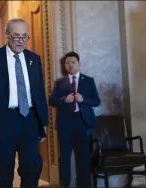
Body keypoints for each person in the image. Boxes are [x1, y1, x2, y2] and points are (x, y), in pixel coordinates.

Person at [0, 18, 49, 187]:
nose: (21, 41)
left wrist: (43, 122)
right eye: (16, 36)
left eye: (24, 36)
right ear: (7, 35)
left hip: (29, 120)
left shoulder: (33, 59)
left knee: (32, 167)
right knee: (3, 171)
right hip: (1, 121)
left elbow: (39, 92)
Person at [49, 51, 100, 188]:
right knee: (64, 157)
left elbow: (96, 101)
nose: (70, 65)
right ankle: (65, 185)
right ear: (64, 66)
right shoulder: (60, 83)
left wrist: (84, 99)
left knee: (83, 157)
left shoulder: (88, 81)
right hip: (65, 124)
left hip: (83, 123)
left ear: (79, 64)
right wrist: (64, 100)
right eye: (67, 63)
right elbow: (51, 100)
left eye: (73, 62)